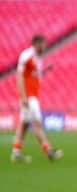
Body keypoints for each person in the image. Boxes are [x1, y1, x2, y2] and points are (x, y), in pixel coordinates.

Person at [10, 35, 63, 163]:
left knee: (24, 124)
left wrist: (45, 71)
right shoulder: (27, 55)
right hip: (29, 97)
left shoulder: (37, 58)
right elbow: (20, 76)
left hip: (32, 95)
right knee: (37, 123)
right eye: (43, 44)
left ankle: (16, 152)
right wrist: (23, 96)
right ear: (37, 44)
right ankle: (49, 151)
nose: (45, 47)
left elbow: (34, 75)